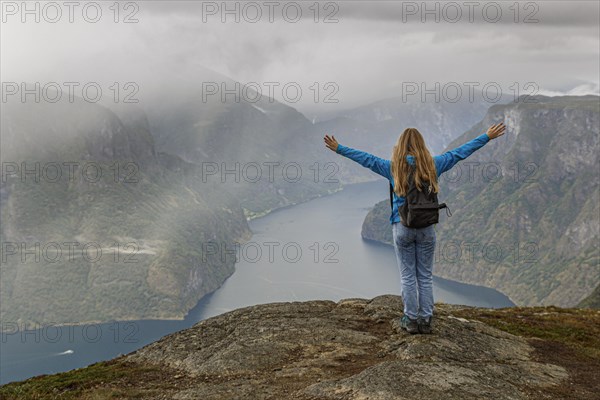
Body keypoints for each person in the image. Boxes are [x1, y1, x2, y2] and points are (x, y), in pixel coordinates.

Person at [324, 123, 506, 334]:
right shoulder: (433, 165)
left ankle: (411, 319)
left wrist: (339, 148)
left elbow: (366, 159)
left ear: (400, 146)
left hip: (401, 227)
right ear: (422, 145)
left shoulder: (393, 167)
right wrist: (486, 136)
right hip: (427, 227)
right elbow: (459, 153)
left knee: (408, 276)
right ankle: (426, 319)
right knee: (425, 276)